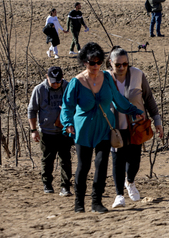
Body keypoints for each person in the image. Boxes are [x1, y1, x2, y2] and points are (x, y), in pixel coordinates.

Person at [61, 42, 144, 213]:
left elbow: (118, 100)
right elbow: (67, 106)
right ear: (85, 62)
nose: (96, 66)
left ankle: (96, 202)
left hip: (105, 128)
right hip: (83, 129)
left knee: (101, 164)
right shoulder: (76, 82)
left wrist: (134, 111)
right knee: (83, 167)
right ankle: (79, 203)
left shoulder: (106, 78)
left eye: (99, 62)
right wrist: (68, 123)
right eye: (92, 62)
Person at [106, 46, 164, 208]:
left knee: (134, 160)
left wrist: (157, 122)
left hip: (137, 126)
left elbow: (149, 98)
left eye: (125, 64)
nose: (122, 68)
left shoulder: (138, 75)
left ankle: (130, 181)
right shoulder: (105, 78)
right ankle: (119, 195)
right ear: (110, 63)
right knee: (117, 160)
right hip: (115, 127)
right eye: (118, 65)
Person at [28, 66, 74, 196]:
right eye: (53, 81)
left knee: (66, 159)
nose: (56, 84)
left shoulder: (68, 87)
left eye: (58, 81)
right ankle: (47, 183)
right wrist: (33, 130)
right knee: (47, 159)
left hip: (65, 131)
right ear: (47, 77)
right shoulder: (39, 90)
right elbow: (32, 110)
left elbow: (76, 105)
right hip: (47, 131)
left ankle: (65, 186)